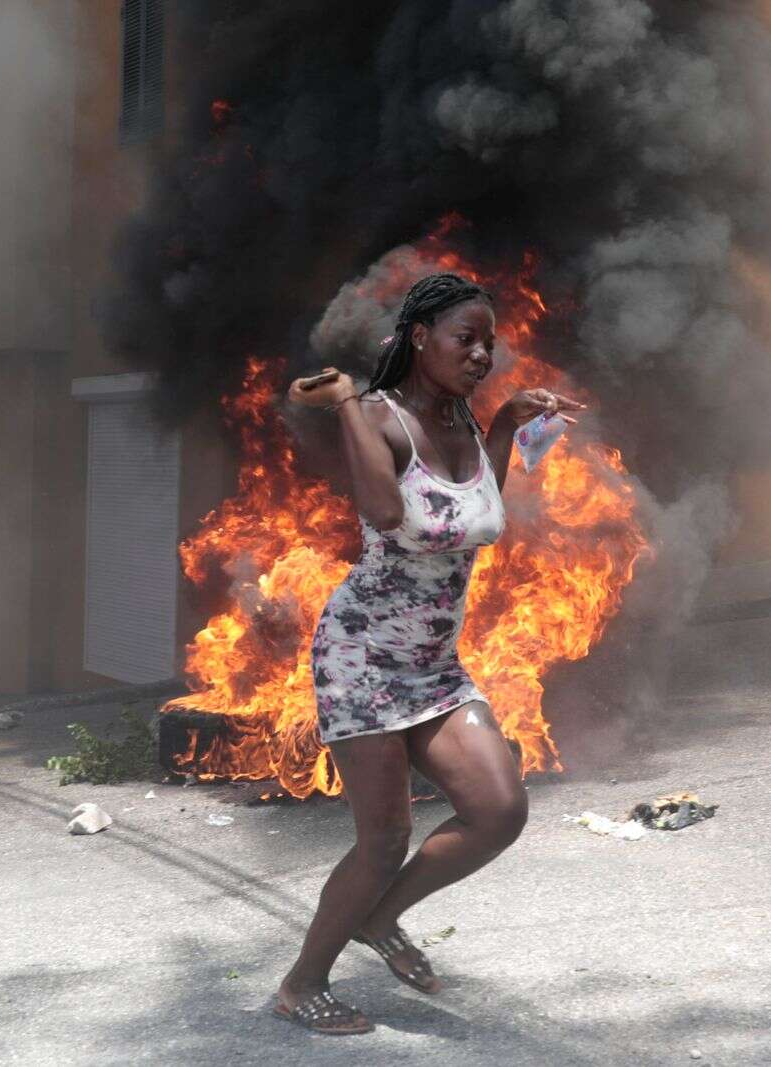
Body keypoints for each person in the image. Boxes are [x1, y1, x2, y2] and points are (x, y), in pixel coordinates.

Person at [274, 273, 586, 1035]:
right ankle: (301, 982)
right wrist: (346, 399)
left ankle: (380, 919)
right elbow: (387, 511)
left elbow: (480, 509)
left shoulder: (467, 424)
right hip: (363, 656)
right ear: (420, 337)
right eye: (465, 338)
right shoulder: (380, 417)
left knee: (498, 808)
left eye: (489, 342)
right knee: (383, 839)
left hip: (436, 666)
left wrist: (508, 421)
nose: (482, 353)